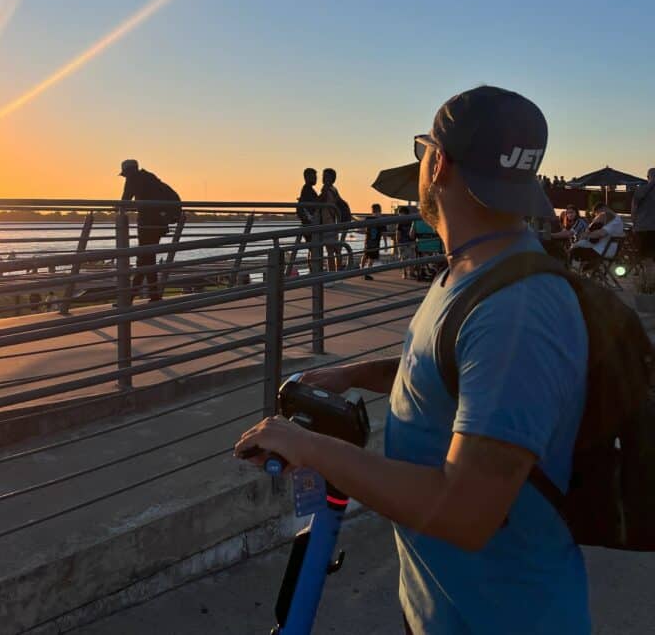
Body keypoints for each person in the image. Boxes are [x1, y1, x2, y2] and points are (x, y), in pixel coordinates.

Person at [235, 86, 590, 634]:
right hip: (444, 606)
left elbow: (465, 514)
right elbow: (455, 379)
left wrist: (310, 447)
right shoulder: (470, 272)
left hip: (504, 619)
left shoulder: (516, 310)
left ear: (439, 163)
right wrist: (352, 373)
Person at [119, 159, 180, 302]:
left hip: (147, 224)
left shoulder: (132, 179)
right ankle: (151, 295)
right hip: (159, 224)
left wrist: (117, 208)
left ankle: (131, 297)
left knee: (144, 258)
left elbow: (125, 201)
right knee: (148, 258)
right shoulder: (150, 177)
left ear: (127, 171)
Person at [569, 202, 624, 269]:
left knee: (574, 251)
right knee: (576, 247)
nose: (598, 216)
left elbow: (600, 234)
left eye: (598, 214)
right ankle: (587, 269)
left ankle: (577, 272)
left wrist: (586, 235)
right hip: (603, 249)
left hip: (602, 251)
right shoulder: (615, 219)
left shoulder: (614, 220)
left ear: (603, 209)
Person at [631, 168, 655, 270]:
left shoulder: (641, 189)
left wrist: (634, 224)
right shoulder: (641, 190)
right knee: (648, 257)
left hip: (643, 228)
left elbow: (634, 209)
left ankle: (648, 283)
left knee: (646, 257)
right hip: (645, 228)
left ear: (647, 177)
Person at [318, 168, 341, 272]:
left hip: (327, 223)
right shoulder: (334, 189)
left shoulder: (327, 189)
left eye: (325, 176)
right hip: (334, 221)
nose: (323, 178)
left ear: (331, 178)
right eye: (323, 175)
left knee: (330, 251)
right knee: (336, 249)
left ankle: (331, 273)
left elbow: (320, 201)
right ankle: (338, 270)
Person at [296, 168, 319, 269]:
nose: (315, 179)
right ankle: (314, 269)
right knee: (314, 248)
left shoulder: (308, 189)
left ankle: (313, 269)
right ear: (306, 177)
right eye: (313, 176)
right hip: (310, 223)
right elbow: (305, 208)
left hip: (310, 223)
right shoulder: (307, 190)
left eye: (315, 176)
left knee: (313, 248)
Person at [360, 203, 386, 280]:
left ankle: (363, 271)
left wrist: (385, 243)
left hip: (370, 242)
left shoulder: (369, 219)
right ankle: (365, 272)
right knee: (369, 257)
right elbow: (384, 233)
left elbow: (383, 233)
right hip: (372, 242)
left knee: (367, 256)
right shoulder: (379, 220)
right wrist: (385, 244)